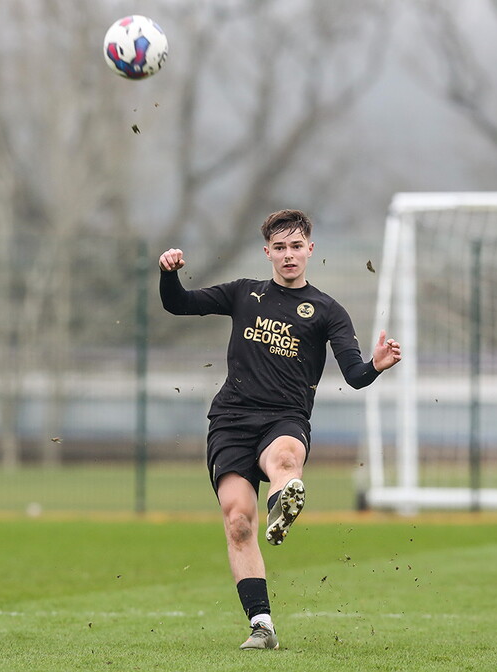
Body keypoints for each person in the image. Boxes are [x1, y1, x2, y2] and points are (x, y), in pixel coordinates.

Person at [158, 209, 401, 650]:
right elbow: (178, 303)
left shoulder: (328, 310)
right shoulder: (242, 293)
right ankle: (262, 624)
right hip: (231, 419)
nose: (289, 255)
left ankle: (283, 500)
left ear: (310, 249)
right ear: (267, 252)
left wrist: (376, 365)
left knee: (285, 460)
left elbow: (355, 374)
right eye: (280, 247)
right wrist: (168, 273)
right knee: (236, 522)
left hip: (285, 417)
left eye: (296, 246)